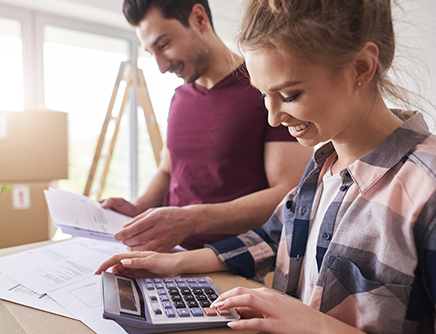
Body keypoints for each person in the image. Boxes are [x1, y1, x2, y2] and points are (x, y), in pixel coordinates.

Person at [96, 0, 436, 332]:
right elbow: (274, 239)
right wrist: (175, 263)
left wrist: (313, 325)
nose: (273, 117)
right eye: (262, 95)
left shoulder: (427, 188)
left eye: (289, 95)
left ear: (361, 68)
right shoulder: (322, 166)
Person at [100, 0, 312, 252]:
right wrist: (137, 208)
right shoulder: (179, 97)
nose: (161, 66)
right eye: (151, 53)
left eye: (164, 45)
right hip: (168, 254)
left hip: (232, 260)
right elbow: (168, 171)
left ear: (199, 18)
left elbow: (287, 194)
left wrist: (191, 220)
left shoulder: (264, 90)